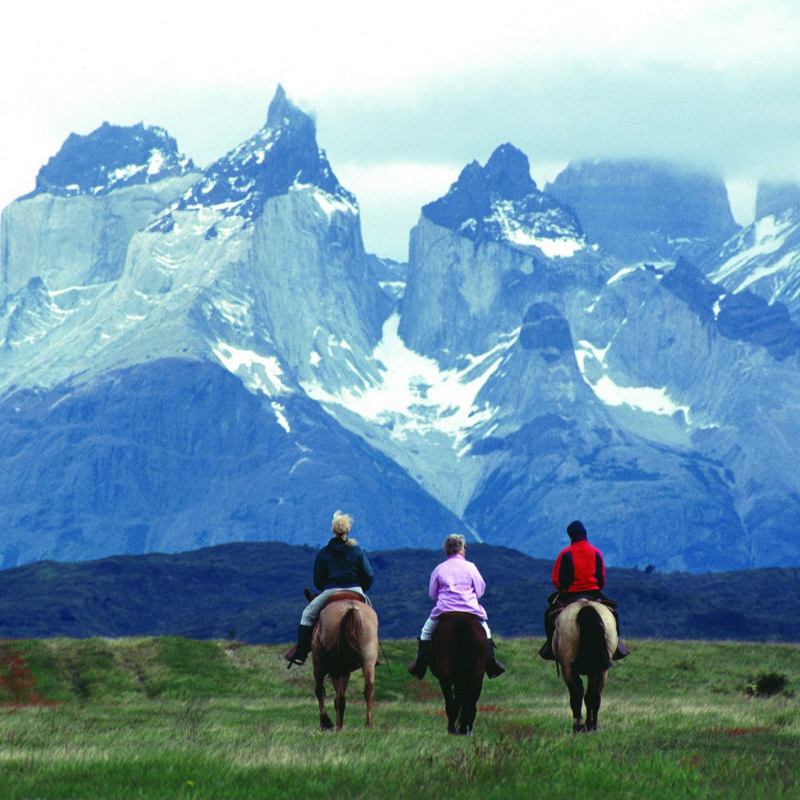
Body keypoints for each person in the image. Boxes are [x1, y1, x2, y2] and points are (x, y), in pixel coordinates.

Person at [407, 534, 505, 680]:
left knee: (426, 632)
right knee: (486, 631)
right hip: (470, 610)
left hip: (445, 611)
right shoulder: (471, 567)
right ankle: (491, 664)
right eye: (465, 547)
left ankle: (420, 666)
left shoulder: (439, 568)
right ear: (461, 549)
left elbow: (432, 594)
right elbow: (480, 589)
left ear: (447, 550)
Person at [284, 511, 374, 666]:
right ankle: (370, 652)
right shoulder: (357, 550)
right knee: (370, 618)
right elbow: (368, 575)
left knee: (307, 615)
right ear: (348, 530)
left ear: (333, 531)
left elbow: (318, 580)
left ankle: (301, 654)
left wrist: (326, 587)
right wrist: (360, 588)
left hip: (331, 591)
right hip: (356, 590)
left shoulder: (324, 553)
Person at [539, 519, 629, 661]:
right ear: (585, 534)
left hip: (570, 593)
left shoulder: (565, 553)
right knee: (613, 613)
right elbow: (601, 579)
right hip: (593, 591)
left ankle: (552, 647)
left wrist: (564, 588)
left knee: (548, 615)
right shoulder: (596, 552)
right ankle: (616, 645)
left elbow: (557, 579)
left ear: (571, 536)